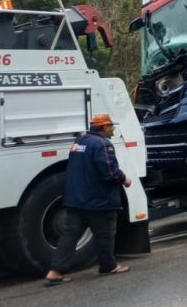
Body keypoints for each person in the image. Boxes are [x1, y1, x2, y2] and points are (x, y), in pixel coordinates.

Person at [43, 113, 132, 286]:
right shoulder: (103, 144)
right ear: (104, 127)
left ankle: (55, 272)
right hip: (98, 201)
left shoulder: (79, 142)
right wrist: (124, 179)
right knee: (105, 234)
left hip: (76, 199)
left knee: (70, 236)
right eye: (111, 126)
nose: (113, 129)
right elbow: (109, 172)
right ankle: (108, 266)